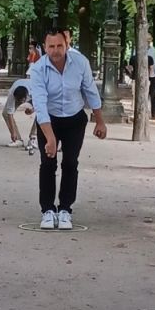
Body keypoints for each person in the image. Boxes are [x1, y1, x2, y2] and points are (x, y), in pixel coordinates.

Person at [29, 26, 108, 230]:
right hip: (49, 119)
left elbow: (90, 91)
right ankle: (47, 209)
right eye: (51, 46)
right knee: (48, 163)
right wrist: (50, 138)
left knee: (70, 163)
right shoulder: (38, 69)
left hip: (74, 118)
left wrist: (99, 121)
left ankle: (65, 209)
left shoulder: (80, 63)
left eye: (59, 46)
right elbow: (39, 102)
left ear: (67, 45)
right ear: (44, 47)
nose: (56, 50)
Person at [1, 77, 36, 154]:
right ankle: (18, 139)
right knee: (5, 113)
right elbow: (9, 113)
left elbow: (41, 105)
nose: (22, 103)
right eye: (19, 101)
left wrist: (32, 110)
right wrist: (13, 132)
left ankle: (33, 137)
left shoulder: (35, 89)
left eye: (22, 101)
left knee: (43, 112)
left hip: (33, 97)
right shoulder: (12, 94)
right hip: (20, 93)